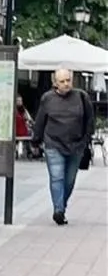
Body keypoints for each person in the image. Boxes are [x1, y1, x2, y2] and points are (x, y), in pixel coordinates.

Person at [29, 68, 95, 225]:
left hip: (76, 145)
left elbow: (89, 120)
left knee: (69, 180)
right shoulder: (48, 98)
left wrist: (86, 139)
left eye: (68, 80)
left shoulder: (81, 97)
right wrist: (35, 141)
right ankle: (58, 210)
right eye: (62, 81)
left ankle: (61, 206)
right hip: (53, 143)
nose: (66, 84)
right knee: (57, 177)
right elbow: (40, 120)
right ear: (55, 83)